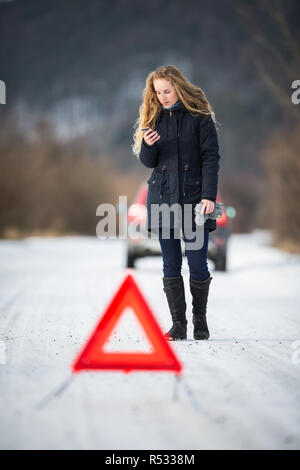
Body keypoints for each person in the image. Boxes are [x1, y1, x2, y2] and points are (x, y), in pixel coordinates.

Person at [132, 65, 221, 341]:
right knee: (170, 264)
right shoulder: (154, 117)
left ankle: (200, 323)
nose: (163, 97)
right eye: (158, 93)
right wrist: (148, 144)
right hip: (162, 200)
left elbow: (211, 158)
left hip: (196, 202)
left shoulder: (200, 117)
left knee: (197, 264)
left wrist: (208, 196)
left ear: (179, 88)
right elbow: (149, 162)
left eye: (167, 91)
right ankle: (178, 325)